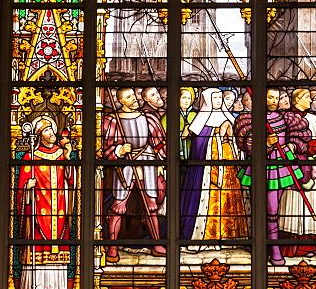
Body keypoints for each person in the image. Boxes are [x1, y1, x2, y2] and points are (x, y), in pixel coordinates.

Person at [235, 86, 311, 265]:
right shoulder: (251, 119)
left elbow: (300, 136)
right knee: (261, 207)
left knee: (273, 209)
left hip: (281, 163)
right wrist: (266, 142)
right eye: (270, 97)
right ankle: (264, 245)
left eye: (276, 98)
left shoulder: (285, 117)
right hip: (261, 165)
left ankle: (274, 249)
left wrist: (291, 145)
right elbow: (247, 145)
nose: (274, 101)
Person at [102, 85, 166, 262]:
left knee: (150, 205)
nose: (135, 99)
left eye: (134, 96)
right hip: (124, 166)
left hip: (147, 162)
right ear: (121, 101)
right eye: (129, 97)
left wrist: (160, 162)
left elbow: (160, 142)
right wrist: (119, 150)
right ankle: (112, 248)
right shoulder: (112, 121)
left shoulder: (149, 118)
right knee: (118, 206)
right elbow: (104, 149)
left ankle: (156, 244)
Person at [16, 114, 75, 289]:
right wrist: (28, 187)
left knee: (58, 243)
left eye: (52, 130)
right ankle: (36, 286)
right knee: (37, 243)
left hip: (59, 207)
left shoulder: (60, 155)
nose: (52, 134)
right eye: (47, 131)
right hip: (38, 208)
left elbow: (70, 178)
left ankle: (58, 286)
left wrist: (68, 158)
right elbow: (20, 188)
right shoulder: (30, 157)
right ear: (39, 135)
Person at [180, 88, 248, 241]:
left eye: (219, 97)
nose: (218, 100)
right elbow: (198, 148)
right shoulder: (200, 122)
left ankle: (231, 235)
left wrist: (229, 133)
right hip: (208, 172)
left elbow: (238, 142)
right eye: (214, 98)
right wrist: (218, 133)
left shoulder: (228, 117)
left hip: (229, 168)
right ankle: (205, 235)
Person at [279, 87, 316, 252]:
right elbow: (293, 147)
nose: (311, 101)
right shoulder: (287, 119)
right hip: (296, 169)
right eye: (307, 97)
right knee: (296, 206)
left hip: (314, 168)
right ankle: (296, 246)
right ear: (297, 100)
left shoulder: (313, 118)